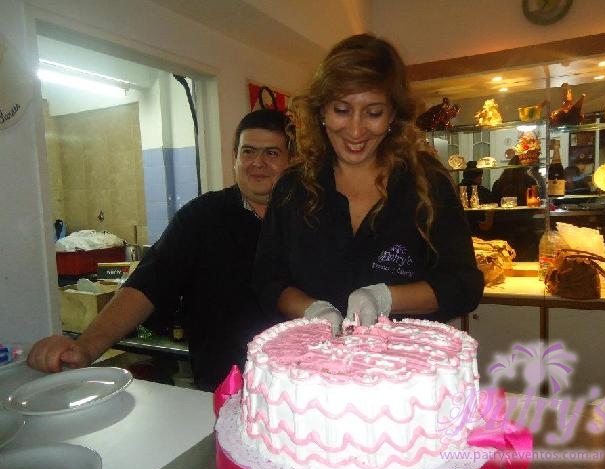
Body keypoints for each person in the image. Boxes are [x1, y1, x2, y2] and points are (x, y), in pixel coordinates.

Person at [28, 109, 293, 391]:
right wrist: (85, 348)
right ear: (235, 158)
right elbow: (146, 285)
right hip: (222, 388)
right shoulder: (200, 218)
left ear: (292, 161)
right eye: (248, 151)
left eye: (271, 153)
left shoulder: (308, 220)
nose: (257, 163)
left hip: (302, 388)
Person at [252, 33, 483, 334]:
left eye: (373, 112)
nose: (356, 130)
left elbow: (464, 285)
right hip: (314, 358)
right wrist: (311, 310)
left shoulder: (428, 183)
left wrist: (385, 297)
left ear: (393, 115)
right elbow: (268, 281)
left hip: (403, 359)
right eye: (341, 110)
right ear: (321, 111)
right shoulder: (293, 187)